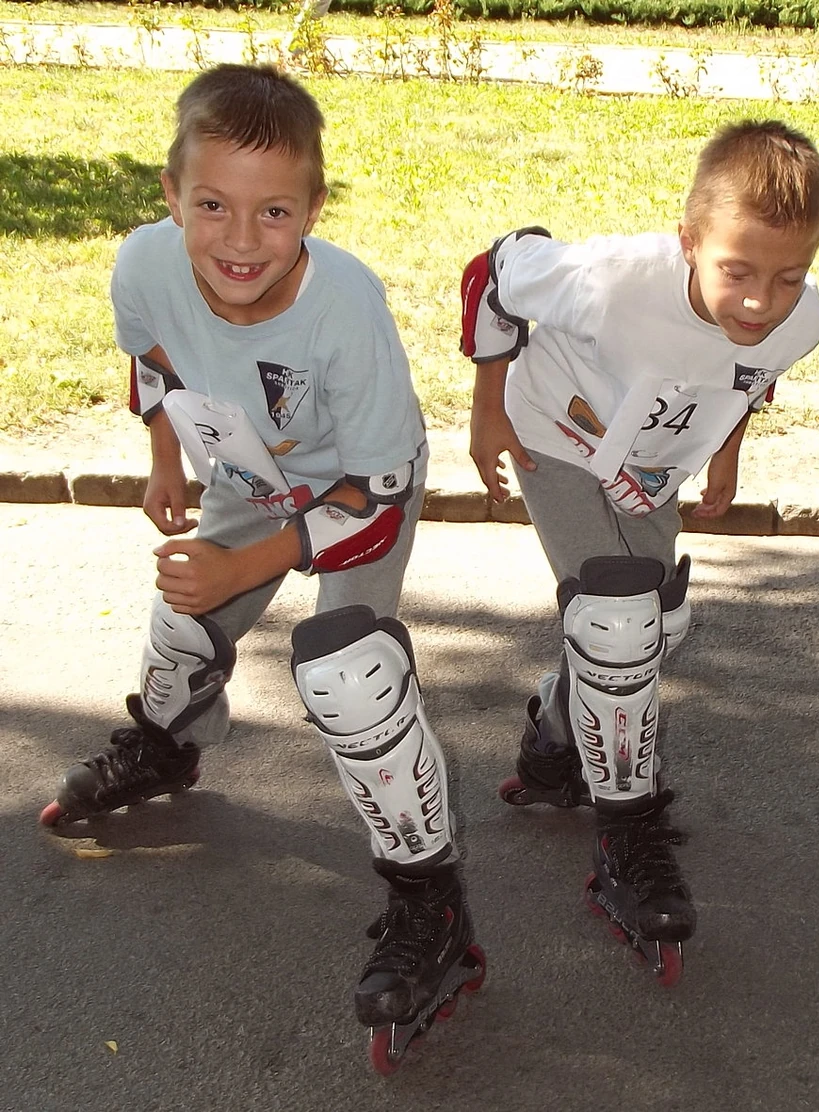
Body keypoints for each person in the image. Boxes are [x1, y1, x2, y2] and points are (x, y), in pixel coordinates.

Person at [40, 63, 483, 1070]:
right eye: (212, 206)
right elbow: (154, 359)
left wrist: (253, 561)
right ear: (171, 196)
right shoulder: (144, 262)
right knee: (182, 615)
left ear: (313, 210)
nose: (240, 240)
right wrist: (165, 458)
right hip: (247, 462)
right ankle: (168, 744)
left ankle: (433, 899)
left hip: (359, 483)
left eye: (273, 212)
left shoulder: (346, 304)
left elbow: (376, 493)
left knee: (349, 670)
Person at [460, 119, 819, 984]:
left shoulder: (799, 320)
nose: (760, 302)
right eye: (738, 272)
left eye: (789, 277)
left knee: (653, 628)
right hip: (553, 437)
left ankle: (556, 736)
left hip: (650, 463)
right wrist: (488, 410)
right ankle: (627, 834)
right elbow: (495, 270)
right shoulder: (614, 283)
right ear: (689, 241)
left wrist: (727, 453)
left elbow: (749, 375)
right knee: (616, 624)